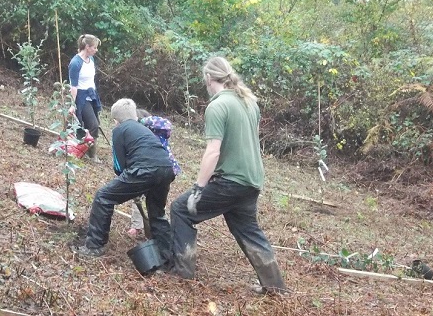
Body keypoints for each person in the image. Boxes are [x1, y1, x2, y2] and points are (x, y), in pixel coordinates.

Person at [170, 57, 287, 295]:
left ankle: (182, 274)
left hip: (230, 181)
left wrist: (198, 189)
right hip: (252, 181)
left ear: (208, 78)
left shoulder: (217, 106)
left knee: (181, 210)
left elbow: (213, 151)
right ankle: (275, 287)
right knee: (247, 229)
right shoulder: (249, 102)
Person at [75, 98, 175, 266]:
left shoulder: (120, 130)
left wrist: (128, 184)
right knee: (156, 213)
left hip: (145, 170)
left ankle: (94, 246)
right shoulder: (144, 129)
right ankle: (168, 257)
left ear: (115, 120)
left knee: (103, 197)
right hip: (166, 168)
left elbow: (119, 166)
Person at [127, 108, 182, 238]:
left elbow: (167, 124)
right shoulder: (135, 137)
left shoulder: (159, 132)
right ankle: (138, 226)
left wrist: (140, 121)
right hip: (146, 170)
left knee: (156, 205)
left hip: (163, 171)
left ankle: (159, 231)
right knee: (138, 199)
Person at [68, 34, 102, 163]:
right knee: (92, 125)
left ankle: (88, 151)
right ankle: (87, 152)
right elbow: (73, 86)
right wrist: (72, 104)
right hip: (81, 97)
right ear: (87, 47)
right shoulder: (76, 63)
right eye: (94, 47)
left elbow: (90, 80)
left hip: (91, 95)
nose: (96, 50)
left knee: (95, 124)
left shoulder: (91, 60)